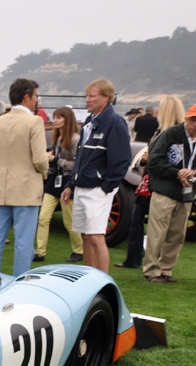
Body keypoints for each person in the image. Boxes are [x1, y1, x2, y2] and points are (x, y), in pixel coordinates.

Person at [60, 79, 131, 273]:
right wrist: (70, 185)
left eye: (92, 96)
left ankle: (103, 281)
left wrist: (106, 187)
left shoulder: (115, 122)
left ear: (106, 98)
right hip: (82, 187)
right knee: (85, 235)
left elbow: (122, 159)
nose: (87, 99)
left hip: (97, 189)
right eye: (87, 95)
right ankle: (90, 277)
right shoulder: (89, 123)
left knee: (96, 237)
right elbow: (80, 159)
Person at [0, 79, 48, 276]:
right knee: (24, 241)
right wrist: (44, 172)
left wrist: (2, 167)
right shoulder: (34, 121)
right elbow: (39, 159)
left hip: (0, 186)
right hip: (26, 188)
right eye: (36, 96)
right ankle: (21, 282)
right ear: (27, 97)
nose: (37, 100)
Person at [142, 104, 196, 284]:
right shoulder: (171, 133)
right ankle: (151, 271)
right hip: (164, 190)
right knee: (157, 232)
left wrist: (195, 172)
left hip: (186, 193)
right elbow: (154, 161)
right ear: (186, 118)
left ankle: (166, 269)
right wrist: (177, 172)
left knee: (178, 234)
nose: (195, 124)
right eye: (192, 119)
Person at [116, 95, 186, 269]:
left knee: (153, 223)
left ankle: (147, 261)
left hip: (159, 182)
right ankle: (136, 259)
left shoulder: (170, 133)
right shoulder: (165, 131)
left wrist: (149, 160)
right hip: (151, 180)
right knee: (140, 219)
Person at [34, 106, 83, 263]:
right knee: (43, 218)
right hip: (54, 182)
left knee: (69, 221)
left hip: (67, 183)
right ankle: (40, 252)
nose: (55, 120)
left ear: (67, 120)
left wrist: (54, 159)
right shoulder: (57, 138)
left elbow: (76, 165)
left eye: (59, 117)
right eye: (54, 117)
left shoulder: (75, 139)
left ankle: (79, 250)